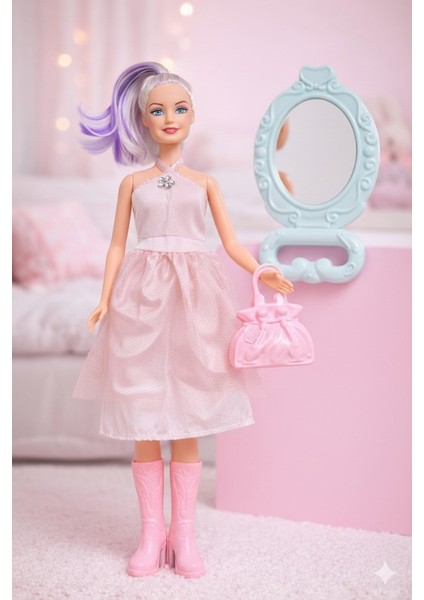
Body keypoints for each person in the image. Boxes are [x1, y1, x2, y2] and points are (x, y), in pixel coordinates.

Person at [73, 61, 293, 579]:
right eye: (157, 110)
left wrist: (259, 268)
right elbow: (117, 245)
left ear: (193, 116)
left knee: (190, 409)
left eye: (179, 108)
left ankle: (184, 535)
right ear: (143, 120)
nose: (169, 118)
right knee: (144, 410)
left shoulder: (205, 183)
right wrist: (104, 298)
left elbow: (230, 241)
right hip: (141, 297)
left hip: (196, 298)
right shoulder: (133, 184)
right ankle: (152, 533)